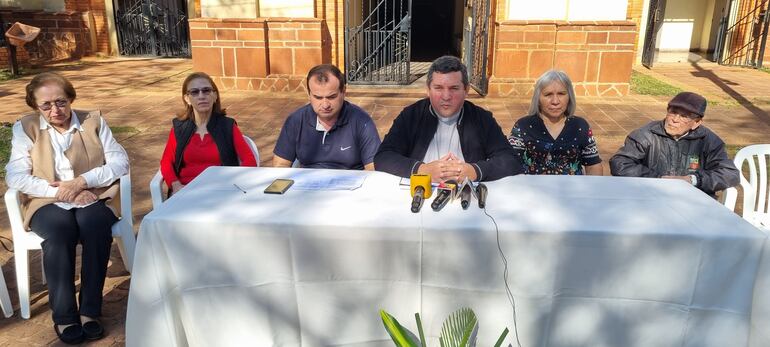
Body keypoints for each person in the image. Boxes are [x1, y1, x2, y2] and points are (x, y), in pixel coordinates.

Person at [5, 72, 130, 344]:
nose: (55, 110)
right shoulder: (26, 128)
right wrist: (61, 191)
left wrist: (83, 181)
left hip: (93, 195)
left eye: (61, 102)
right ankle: (64, 316)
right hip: (47, 200)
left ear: (71, 98)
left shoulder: (93, 120)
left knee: (95, 226)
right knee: (60, 232)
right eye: (46, 105)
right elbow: (15, 176)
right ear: (35, 106)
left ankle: (89, 311)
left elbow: (120, 163)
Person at [374, 55, 519, 182]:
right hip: (421, 192)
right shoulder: (411, 116)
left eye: (454, 88)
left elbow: (511, 161)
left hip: (465, 197)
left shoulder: (481, 119)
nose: (446, 96)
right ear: (428, 89)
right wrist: (422, 170)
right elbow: (383, 157)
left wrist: (475, 171)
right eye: (438, 88)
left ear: (466, 90)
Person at [609, 91, 739, 197]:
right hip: (651, 197)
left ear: (697, 122)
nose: (675, 120)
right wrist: (658, 179)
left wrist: (693, 180)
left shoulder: (709, 141)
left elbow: (729, 173)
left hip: (694, 201)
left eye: (684, 116)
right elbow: (620, 163)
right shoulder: (646, 135)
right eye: (673, 112)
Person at [160, 72, 257, 194]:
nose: (201, 96)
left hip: (220, 190)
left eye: (206, 91)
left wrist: (234, 183)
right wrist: (175, 185)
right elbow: (166, 162)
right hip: (186, 190)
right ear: (187, 99)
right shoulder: (179, 128)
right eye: (194, 92)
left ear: (215, 96)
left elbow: (249, 159)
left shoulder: (227, 126)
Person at [273, 64, 381, 170]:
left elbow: (373, 170)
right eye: (318, 97)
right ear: (309, 94)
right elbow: (280, 166)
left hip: (349, 184)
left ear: (343, 92)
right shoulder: (296, 121)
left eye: (331, 97)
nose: (325, 105)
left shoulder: (361, 122)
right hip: (307, 185)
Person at [508, 70, 603, 175]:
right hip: (533, 189)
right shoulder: (523, 126)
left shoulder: (580, 126)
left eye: (561, 94)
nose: (555, 101)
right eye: (548, 94)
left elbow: (593, 165)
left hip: (572, 190)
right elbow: (510, 163)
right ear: (538, 98)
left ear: (570, 97)